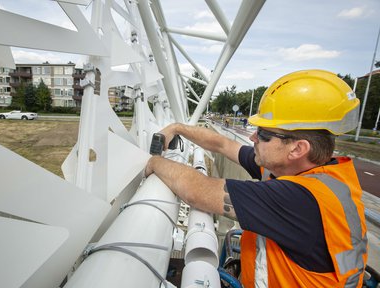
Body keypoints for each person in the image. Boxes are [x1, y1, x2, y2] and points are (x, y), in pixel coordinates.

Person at [145, 70, 368, 287]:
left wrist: (154, 162)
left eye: (263, 134)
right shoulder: (296, 171)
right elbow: (222, 144)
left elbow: (198, 191)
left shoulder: (301, 200)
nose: (252, 137)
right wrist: (176, 128)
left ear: (298, 148)